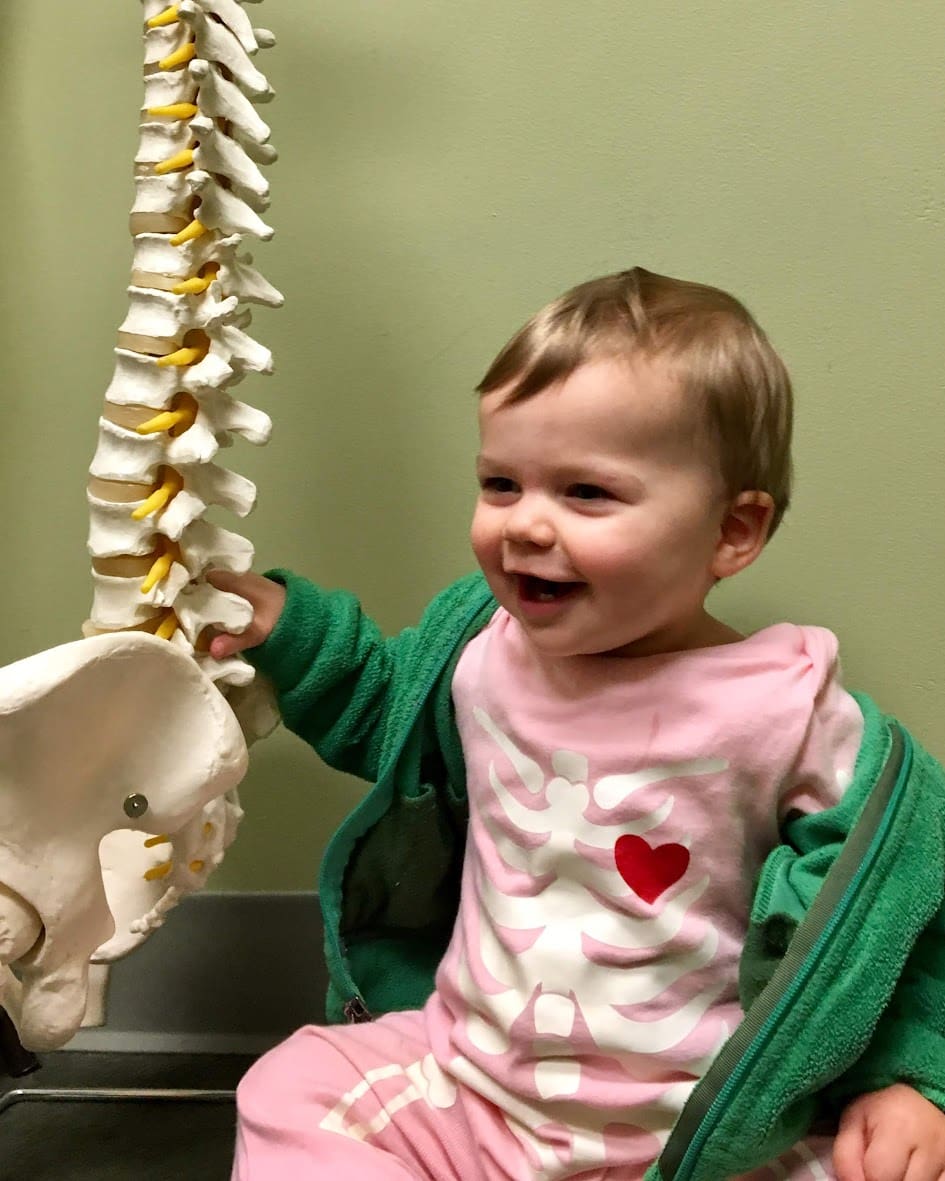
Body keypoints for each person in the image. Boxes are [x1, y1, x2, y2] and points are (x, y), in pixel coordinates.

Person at [211, 268, 945, 1180]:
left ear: (733, 531)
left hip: (705, 1134)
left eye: (587, 493)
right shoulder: (483, 655)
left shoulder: (782, 708)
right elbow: (380, 705)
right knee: (288, 1088)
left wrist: (910, 1077)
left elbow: (896, 911)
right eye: (501, 483)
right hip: (474, 1088)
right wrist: (287, 627)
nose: (525, 525)